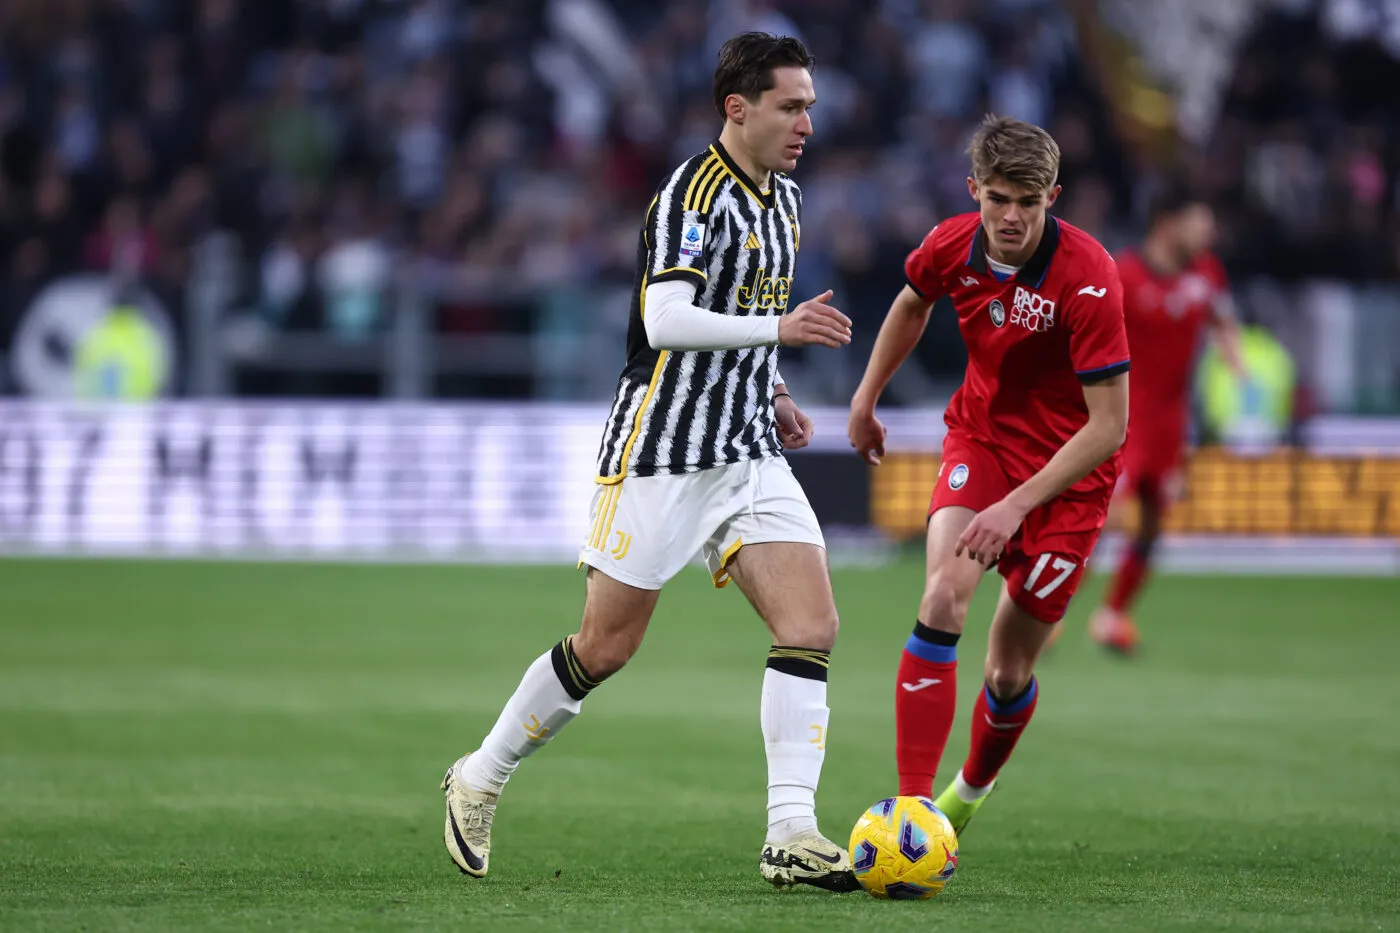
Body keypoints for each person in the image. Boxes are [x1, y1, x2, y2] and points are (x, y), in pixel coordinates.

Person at [442, 32, 860, 891]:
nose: (807, 122)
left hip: (744, 444)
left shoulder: (783, 197)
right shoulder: (688, 196)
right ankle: (479, 775)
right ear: (737, 108)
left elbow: (746, 305)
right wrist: (777, 333)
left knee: (811, 624)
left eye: (810, 105)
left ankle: (791, 831)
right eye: (792, 105)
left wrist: (772, 382)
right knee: (605, 646)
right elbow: (667, 320)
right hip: (660, 450)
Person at [847, 116, 1129, 836]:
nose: (1011, 217)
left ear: (1052, 197)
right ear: (974, 189)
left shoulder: (1090, 279)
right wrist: (867, 396)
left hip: (1069, 482)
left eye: (1028, 203)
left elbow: (1108, 427)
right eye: (998, 198)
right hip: (984, 441)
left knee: (1007, 673)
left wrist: (1016, 507)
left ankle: (967, 794)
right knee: (942, 594)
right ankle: (912, 810)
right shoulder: (951, 244)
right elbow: (913, 300)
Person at [1084, 188, 1244, 653]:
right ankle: (1049, 610)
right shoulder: (1124, 275)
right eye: (1199, 221)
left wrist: (1235, 358)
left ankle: (1112, 615)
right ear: (1167, 223)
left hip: (1171, 423)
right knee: (1103, 517)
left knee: (1153, 524)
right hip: (1121, 417)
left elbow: (1223, 318)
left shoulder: (1206, 273)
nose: (1208, 232)